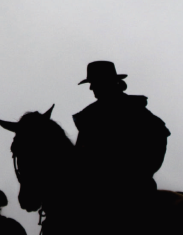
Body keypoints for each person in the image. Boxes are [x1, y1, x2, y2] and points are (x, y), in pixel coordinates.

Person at [72, 61, 170, 202]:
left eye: (95, 82)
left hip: (132, 188)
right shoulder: (89, 116)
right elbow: (80, 153)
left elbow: (159, 137)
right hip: (94, 188)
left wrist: (139, 173)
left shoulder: (134, 109)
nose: (91, 88)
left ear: (108, 82)